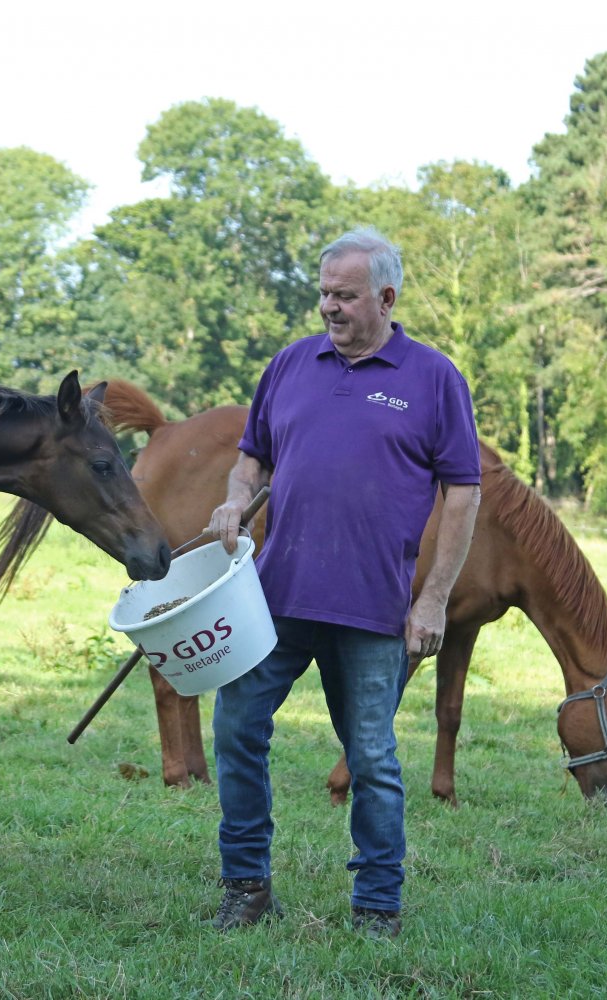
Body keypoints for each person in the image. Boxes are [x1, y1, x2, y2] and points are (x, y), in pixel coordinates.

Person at [205, 227, 482, 938]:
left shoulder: (434, 378)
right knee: (236, 728)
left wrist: (433, 598)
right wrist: (235, 500)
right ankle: (246, 885)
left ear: (386, 298)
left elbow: (463, 491)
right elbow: (252, 459)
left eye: (345, 295)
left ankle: (378, 906)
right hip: (277, 597)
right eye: (324, 293)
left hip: (372, 608)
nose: (329, 306)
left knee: (372, 759)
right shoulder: (290, 365)